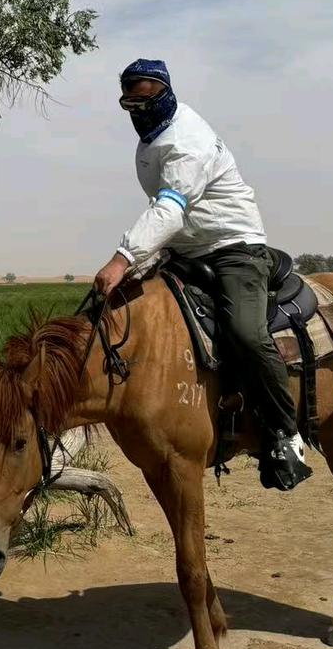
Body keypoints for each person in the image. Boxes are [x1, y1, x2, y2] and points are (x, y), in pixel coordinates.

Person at [93, 59, 312, 492]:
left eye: (147, 97)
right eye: (130, 101)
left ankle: (286, 434)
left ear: (167, 92)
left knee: (245, 332)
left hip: (233, 247)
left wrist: (121, 259)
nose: (139, 108)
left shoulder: (186, 138)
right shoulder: (151, 141)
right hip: (186, 249)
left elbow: (171, 206)